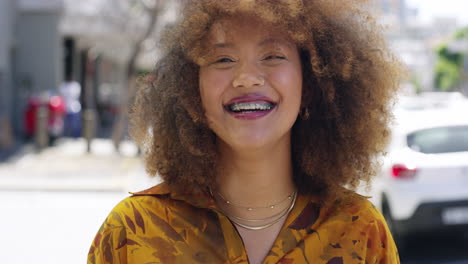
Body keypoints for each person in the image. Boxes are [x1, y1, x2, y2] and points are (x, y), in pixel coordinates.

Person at [88, 0, 403, 263]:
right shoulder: (132, 232)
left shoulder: (361, 231)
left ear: (309, 83)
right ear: (191, 89)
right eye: (223, 59)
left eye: (273, 56)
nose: (247, 78)